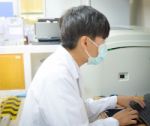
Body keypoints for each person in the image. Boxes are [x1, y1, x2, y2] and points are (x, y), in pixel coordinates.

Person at [19, 6, 145, 126]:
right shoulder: (58, 76)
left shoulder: (66, 65)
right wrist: (115, 121)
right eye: (103, 41)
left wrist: (115, 100)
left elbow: (79, 110)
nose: (104, 46)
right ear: (85, 42)